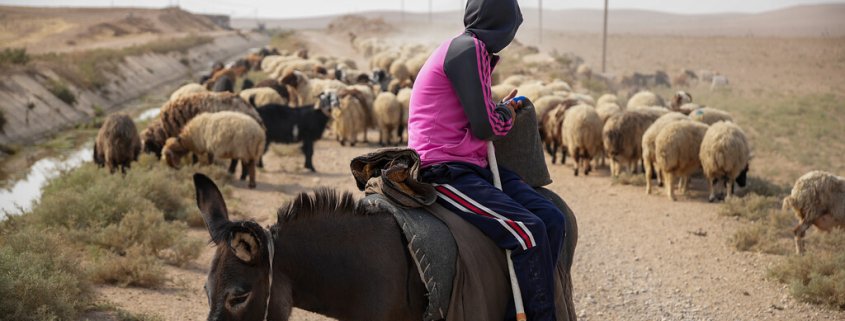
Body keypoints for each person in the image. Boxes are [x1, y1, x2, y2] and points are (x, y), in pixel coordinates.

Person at [407, 0, 565, 320]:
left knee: (552, 217)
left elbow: (480, 116)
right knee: (527, 231)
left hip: (471, 163)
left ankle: (515, 307)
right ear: (505, 24)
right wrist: (507, 112)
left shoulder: (470, 50)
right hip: (442, 167)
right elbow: (487, 125)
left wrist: (499, 110)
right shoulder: (470, 50)